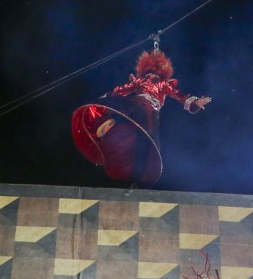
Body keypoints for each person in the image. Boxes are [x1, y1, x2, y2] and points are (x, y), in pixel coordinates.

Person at [71, 49, 211, 185]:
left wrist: (106, 97)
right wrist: (193, 102)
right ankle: (113, 126)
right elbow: (177, 93)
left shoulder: (155, 82)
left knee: (134, 125)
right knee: (143, 136)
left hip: (140, 106)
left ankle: (113, 126)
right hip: (146, 108)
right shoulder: (151, 82)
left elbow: (123, 89)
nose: (152, 73)